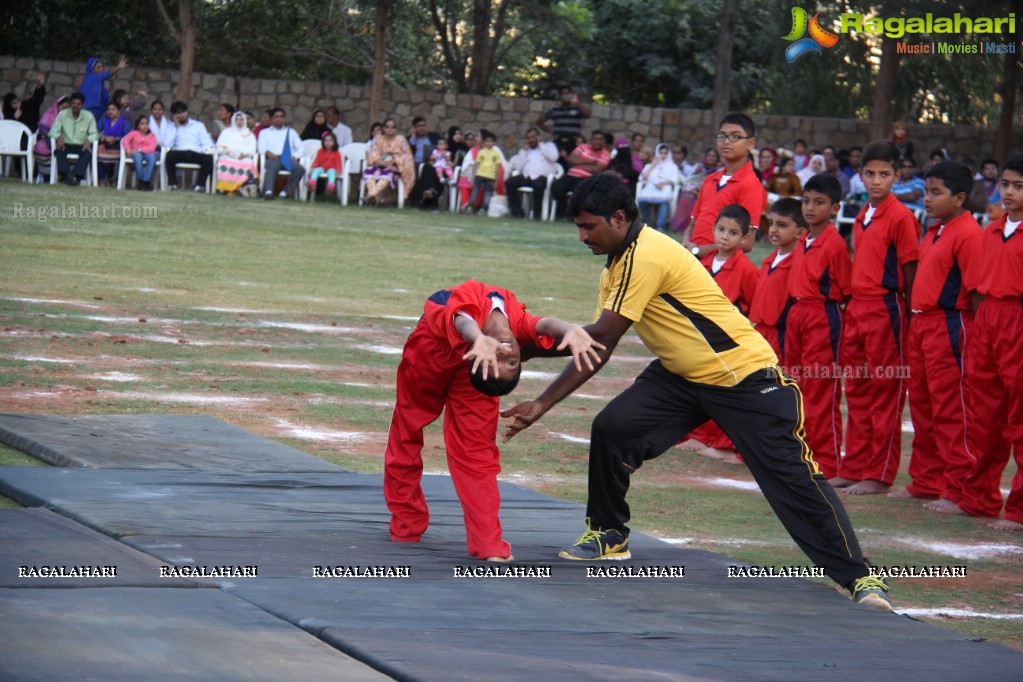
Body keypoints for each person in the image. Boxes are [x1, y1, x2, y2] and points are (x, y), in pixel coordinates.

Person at [501, 173, 891, 609]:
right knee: (614, 428)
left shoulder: (644, 256)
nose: (582, 236)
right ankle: (609, 533)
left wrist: (532, 360)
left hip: (742, 377)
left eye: (589, 226)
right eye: (579, 226)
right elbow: (596, 346)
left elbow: (603, 335)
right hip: (683, 375)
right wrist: (539, 389)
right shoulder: (618, 259)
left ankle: (861, 578)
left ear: (618, 217)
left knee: (792, 481)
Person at [384, 279, 604, 561]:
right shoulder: (502, 317)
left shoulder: (497, 353)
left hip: (477, 369)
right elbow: (463, 319)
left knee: (476, 451)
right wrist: (479, 339)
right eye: (511, 362)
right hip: (432, 348)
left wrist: (570, 330)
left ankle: (488, 544)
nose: (504, 355)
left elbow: (536, 325)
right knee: (408, 427)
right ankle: (407, 523)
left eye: (506, 362)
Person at [932, 154, 1023, 531]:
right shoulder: (992, 230)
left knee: (1020, 419)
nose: (1010, 192)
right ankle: (979, 498)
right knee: (983, 417)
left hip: (1018, 319)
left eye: (1019, 186)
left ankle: (1018, 510)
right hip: (987, 320)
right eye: (1006, 184)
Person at [883, 162, 982, 504]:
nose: (926, 198)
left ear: (959, 198)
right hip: (922, 324)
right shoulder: (934, 229)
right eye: (925, 191)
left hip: (949, 324)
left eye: (935, 193)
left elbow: (975, 291)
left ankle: (958, 488)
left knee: (951, 408)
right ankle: (926, 480)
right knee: (923, 406)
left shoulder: (968, 233)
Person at [834, 140, 919, 495]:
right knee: (856, 389)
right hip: (858, 308)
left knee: (885, 390)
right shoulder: (862, 214)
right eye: (870, 174)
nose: (877, 181)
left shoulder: (902, 217)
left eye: (885, 174)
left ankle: (879, 474)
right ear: (861, 175)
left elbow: (911, 270)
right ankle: (853, 465)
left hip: (886, 308)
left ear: (897, 176)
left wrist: (911, 320)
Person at [784, 174, 852, 480]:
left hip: (823, 316)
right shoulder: (802, 239)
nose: (810, 208)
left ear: (835, 207)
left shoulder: (835, 244)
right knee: (794, 386)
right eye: (806, 201)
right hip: (798, 313)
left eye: (819, 202)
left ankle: (826, 462)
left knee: (820, 389)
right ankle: (801, 454)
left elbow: (846, 289)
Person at [682, 112, 766, 258]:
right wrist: (687, 243)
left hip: (719, 265)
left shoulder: (750, 185)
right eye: (722, 136)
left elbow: (746, 243)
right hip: (692, 259)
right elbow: (693, 223)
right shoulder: (710, 180)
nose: (726, 141)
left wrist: (698, 251)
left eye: (735, 136)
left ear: (750, 143)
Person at [749, 197, 806, 359]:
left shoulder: (799, 262)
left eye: (781, 225)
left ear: (800, 232)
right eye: (771, 223)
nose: (773, 229)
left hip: (782, 335)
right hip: (760, 331)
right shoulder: (769, 260)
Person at [550, 131, 611, 219]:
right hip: (571, 175)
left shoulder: (605, 153)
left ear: (604, 141)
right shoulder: (583, 147)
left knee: (579, 193)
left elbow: (596, 169)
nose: (597, 141)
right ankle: (563, 213)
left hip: (586, 178)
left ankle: (572, 216)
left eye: (600, 139)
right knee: (556, 186)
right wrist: (591, 161)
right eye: (595, 139)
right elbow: (571, 159)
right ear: (591, 140)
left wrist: (578, 162)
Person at [506, 127, 560, 219]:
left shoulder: (548, 146)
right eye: (528, 138)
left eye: (533, 137)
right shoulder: (525, 150)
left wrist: (541, 145)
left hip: (542, 177)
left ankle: (536, 214)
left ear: (538, 137)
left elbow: (554, 157)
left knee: (538, 185)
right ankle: (517, 213)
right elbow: (518, 167)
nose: (531, 140)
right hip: (527, 177)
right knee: (509, 183)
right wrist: (524, 151)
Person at [48, 92, 98, 186]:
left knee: (87, 153)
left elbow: (94, 133)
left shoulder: (88, 116)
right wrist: (59, 137)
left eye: (78, 104)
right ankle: (69, 176)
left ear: (83, 105)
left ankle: (73, 176)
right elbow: (53, 131)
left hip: (81, 144)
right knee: (59, 151)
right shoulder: (63, 114)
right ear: (71, 103)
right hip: (65, 143)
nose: (75, 106)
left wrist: (88, 140)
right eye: (73, 103)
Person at [363, 118, 415, 206]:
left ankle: (370, 195)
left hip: (395, 167)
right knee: (369, 173)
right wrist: (385, 164)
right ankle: (374, 198)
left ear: (396, 129)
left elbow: (407, 155)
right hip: (379, 165)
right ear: (383, 128)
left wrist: (394, 161)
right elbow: (373, 155)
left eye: (393, 127)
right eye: (387, 127)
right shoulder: (378, 139)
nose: (390, 129)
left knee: (387, 175)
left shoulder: (401, 139)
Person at [164, 101, 214, 192]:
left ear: (187, 112)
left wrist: (205, 150)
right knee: (169, 155)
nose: (182, 115)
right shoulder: (170, 127)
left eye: (183, 112)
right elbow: (167, 144)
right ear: (174, 115)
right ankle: (173, 184)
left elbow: (206, 142)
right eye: (178, 113)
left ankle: (199, 186)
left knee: (208, 158)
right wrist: (176, 127)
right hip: (179, 153)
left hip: (195, 152)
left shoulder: (198, 125)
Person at [257, 107, 306, 200]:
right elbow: (261, 148)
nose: (278, 119)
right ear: (271, 119)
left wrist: (295, 156)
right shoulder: (264, 133)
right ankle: (268, 192)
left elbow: (301, 147)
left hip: (287, 159)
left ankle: (285, 192)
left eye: (281, 117)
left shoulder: (291, 132)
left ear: (284, 119)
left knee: (300, 169)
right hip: (273, 158)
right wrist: (268, 153)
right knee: (272, 166)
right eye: (276, 116)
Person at [536, 86, 591, 165]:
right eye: (563, 94)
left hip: (574, 144)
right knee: (558, 165)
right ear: (560, 96)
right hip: (559, 143)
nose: (565, 96)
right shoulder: (555, 110)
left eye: (567, 94)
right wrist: (549, 130)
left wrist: (577, 102)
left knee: (573, 165)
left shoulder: (577, 109)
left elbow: (588, 115)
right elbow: (539, 121)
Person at [636, 143, 682, 231]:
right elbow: (642, 178)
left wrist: (663, 184)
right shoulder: (649, 166)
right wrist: (653, 165)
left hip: (664, 188)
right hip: (650, 188)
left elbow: (675, 180)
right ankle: (646, 223)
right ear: (657, 153)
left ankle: (659, 227)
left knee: (664, 201)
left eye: (665, 153)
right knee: (642, 199)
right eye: (661, 153)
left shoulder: (673, 167)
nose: (663, 155)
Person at [214, 110, 258, 195]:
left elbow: (252, 150)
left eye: (242, 119)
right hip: (228, 155)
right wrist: (229, 152)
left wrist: (244, 154)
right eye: (237, 119)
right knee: (224, 162)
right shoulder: (226, 132)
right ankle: (226, 189)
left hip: (244, 157)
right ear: (233, 121)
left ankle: (240, 189)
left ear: (245, 121)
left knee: (249, 163)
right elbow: (219, 147)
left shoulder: (249, 134)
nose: (239, 122)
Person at [463, 131, 503, 216]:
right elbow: (476, 165)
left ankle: (484, 209)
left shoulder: (496, 153)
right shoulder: (481, 152)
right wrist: (474, 177)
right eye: (487, 141)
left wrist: (496, 180)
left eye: (491, 141)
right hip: (480, 174)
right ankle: (471, 206)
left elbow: (498, 167)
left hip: (490, 176)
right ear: (484, 142)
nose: (488, 143)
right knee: (475, 191)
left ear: (494, 142)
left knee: (487, 193)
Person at [96, 101, 132, 184]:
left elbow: (129, 137)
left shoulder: (125, 123)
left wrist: (117, 139)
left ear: (119, 111)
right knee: (98, 151)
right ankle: (101, 178)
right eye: (109, 109)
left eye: (113, 109)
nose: (110, 111)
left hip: (119, 147)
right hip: (106, 146)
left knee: (119, 156)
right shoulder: (104, 120)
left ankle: (114, 179)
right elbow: (95, 131)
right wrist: (104, 137)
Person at [81, 56, 126, 121]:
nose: (101, 69)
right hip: (91, 109)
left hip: (100, 109)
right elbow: (107, 74)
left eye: (102, 67)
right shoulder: (91, 77)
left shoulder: (98, 81)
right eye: (98, 67)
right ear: (92, 69)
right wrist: (118, 67)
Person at [121, 114, 158, 190]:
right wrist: (128, 150)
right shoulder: (134, 133)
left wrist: (140, 149)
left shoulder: (152, 136)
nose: (145, 126)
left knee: (152, 158)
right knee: (138, 157)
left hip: (148, 153)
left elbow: (152, 148)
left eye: (147, 123)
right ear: (138, 126)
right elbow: (125, 140)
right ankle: (142, 182)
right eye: (142, 124)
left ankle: (144, 182)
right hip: (136, 153)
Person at [305, 131, 343, 198]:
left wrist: (338, 170)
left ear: (334, 142)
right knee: (317, 170)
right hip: (322, 167)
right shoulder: (320, 151)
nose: (328, 143)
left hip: (331, 168)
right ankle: (312, 182)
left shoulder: (336, 153)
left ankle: (331, 185)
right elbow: (317, 161)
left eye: (330, 141)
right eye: (326, 140)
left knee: (332, 172)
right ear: (323, 142)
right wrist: (313, 168)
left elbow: (338, 163)